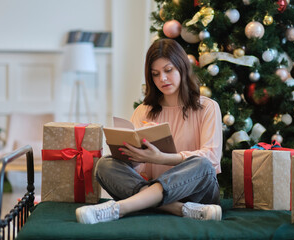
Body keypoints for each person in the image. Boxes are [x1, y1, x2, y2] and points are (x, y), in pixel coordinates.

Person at [76, 38, 223, 224]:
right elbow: (140, 170)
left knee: (202, 164)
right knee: (105, 165)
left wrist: (162, 158)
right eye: (155, 74)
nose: (162, 78)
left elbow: (212, 157)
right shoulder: (144, 110)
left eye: (168, 70)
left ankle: (119, 208)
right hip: (177, 199)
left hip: (198, 194)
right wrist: (133, 156)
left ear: (182, 68)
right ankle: (180, 209)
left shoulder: (208, 107)